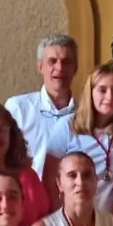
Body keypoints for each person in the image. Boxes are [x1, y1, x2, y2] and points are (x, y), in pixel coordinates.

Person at [6, 34, 79, 186]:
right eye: (52, 61)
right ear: (40, 67)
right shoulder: (18, 109)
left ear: (75, 69)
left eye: (66, 62)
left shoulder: (86, 114)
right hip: (29, 200)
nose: (60, 68)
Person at [65, 64, 113, 214]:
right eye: (102, 90)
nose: (110, 97)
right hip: (72, 217)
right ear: (90, 92)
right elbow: (51, 179)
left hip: (108, 220)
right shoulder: (69, 126)